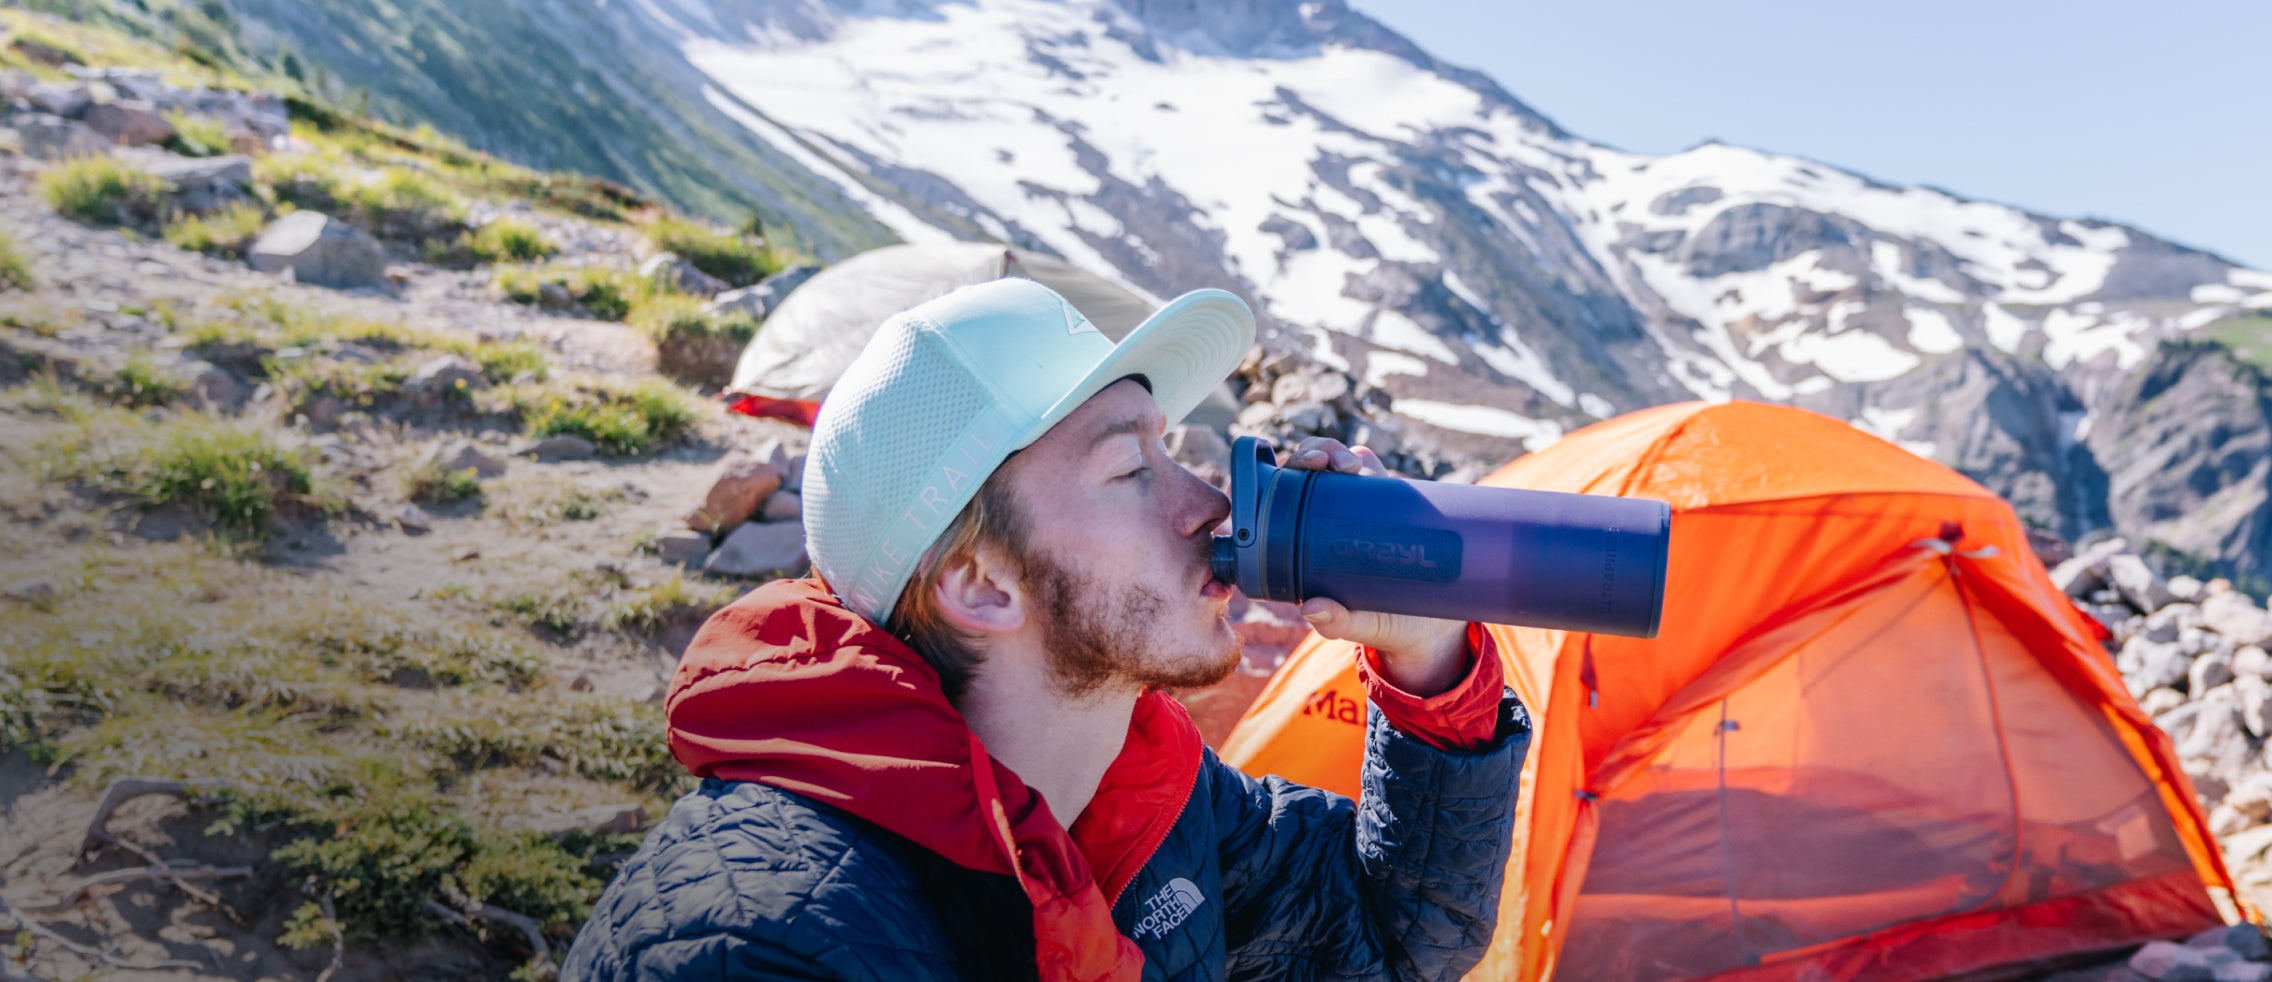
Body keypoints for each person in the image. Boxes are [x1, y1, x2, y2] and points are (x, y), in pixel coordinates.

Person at [562, 279, 1530, 980]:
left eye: (1172, 452)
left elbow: (1390, 942)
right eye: (1131, 472)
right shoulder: (763, 946)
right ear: (982, 585)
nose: (1209, 507)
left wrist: (1427, 658)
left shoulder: (1153, 796)